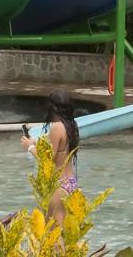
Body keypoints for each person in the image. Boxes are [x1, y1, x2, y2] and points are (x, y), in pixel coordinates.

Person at [21, 90, 80, 222]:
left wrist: (30, 148)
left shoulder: (57, 127)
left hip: (58, 185)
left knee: (53, 234)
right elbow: (58, 148)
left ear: (52, 108)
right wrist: (35, 142)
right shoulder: (71, 126)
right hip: (70, 183)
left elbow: (47, 159)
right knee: (62, 231)